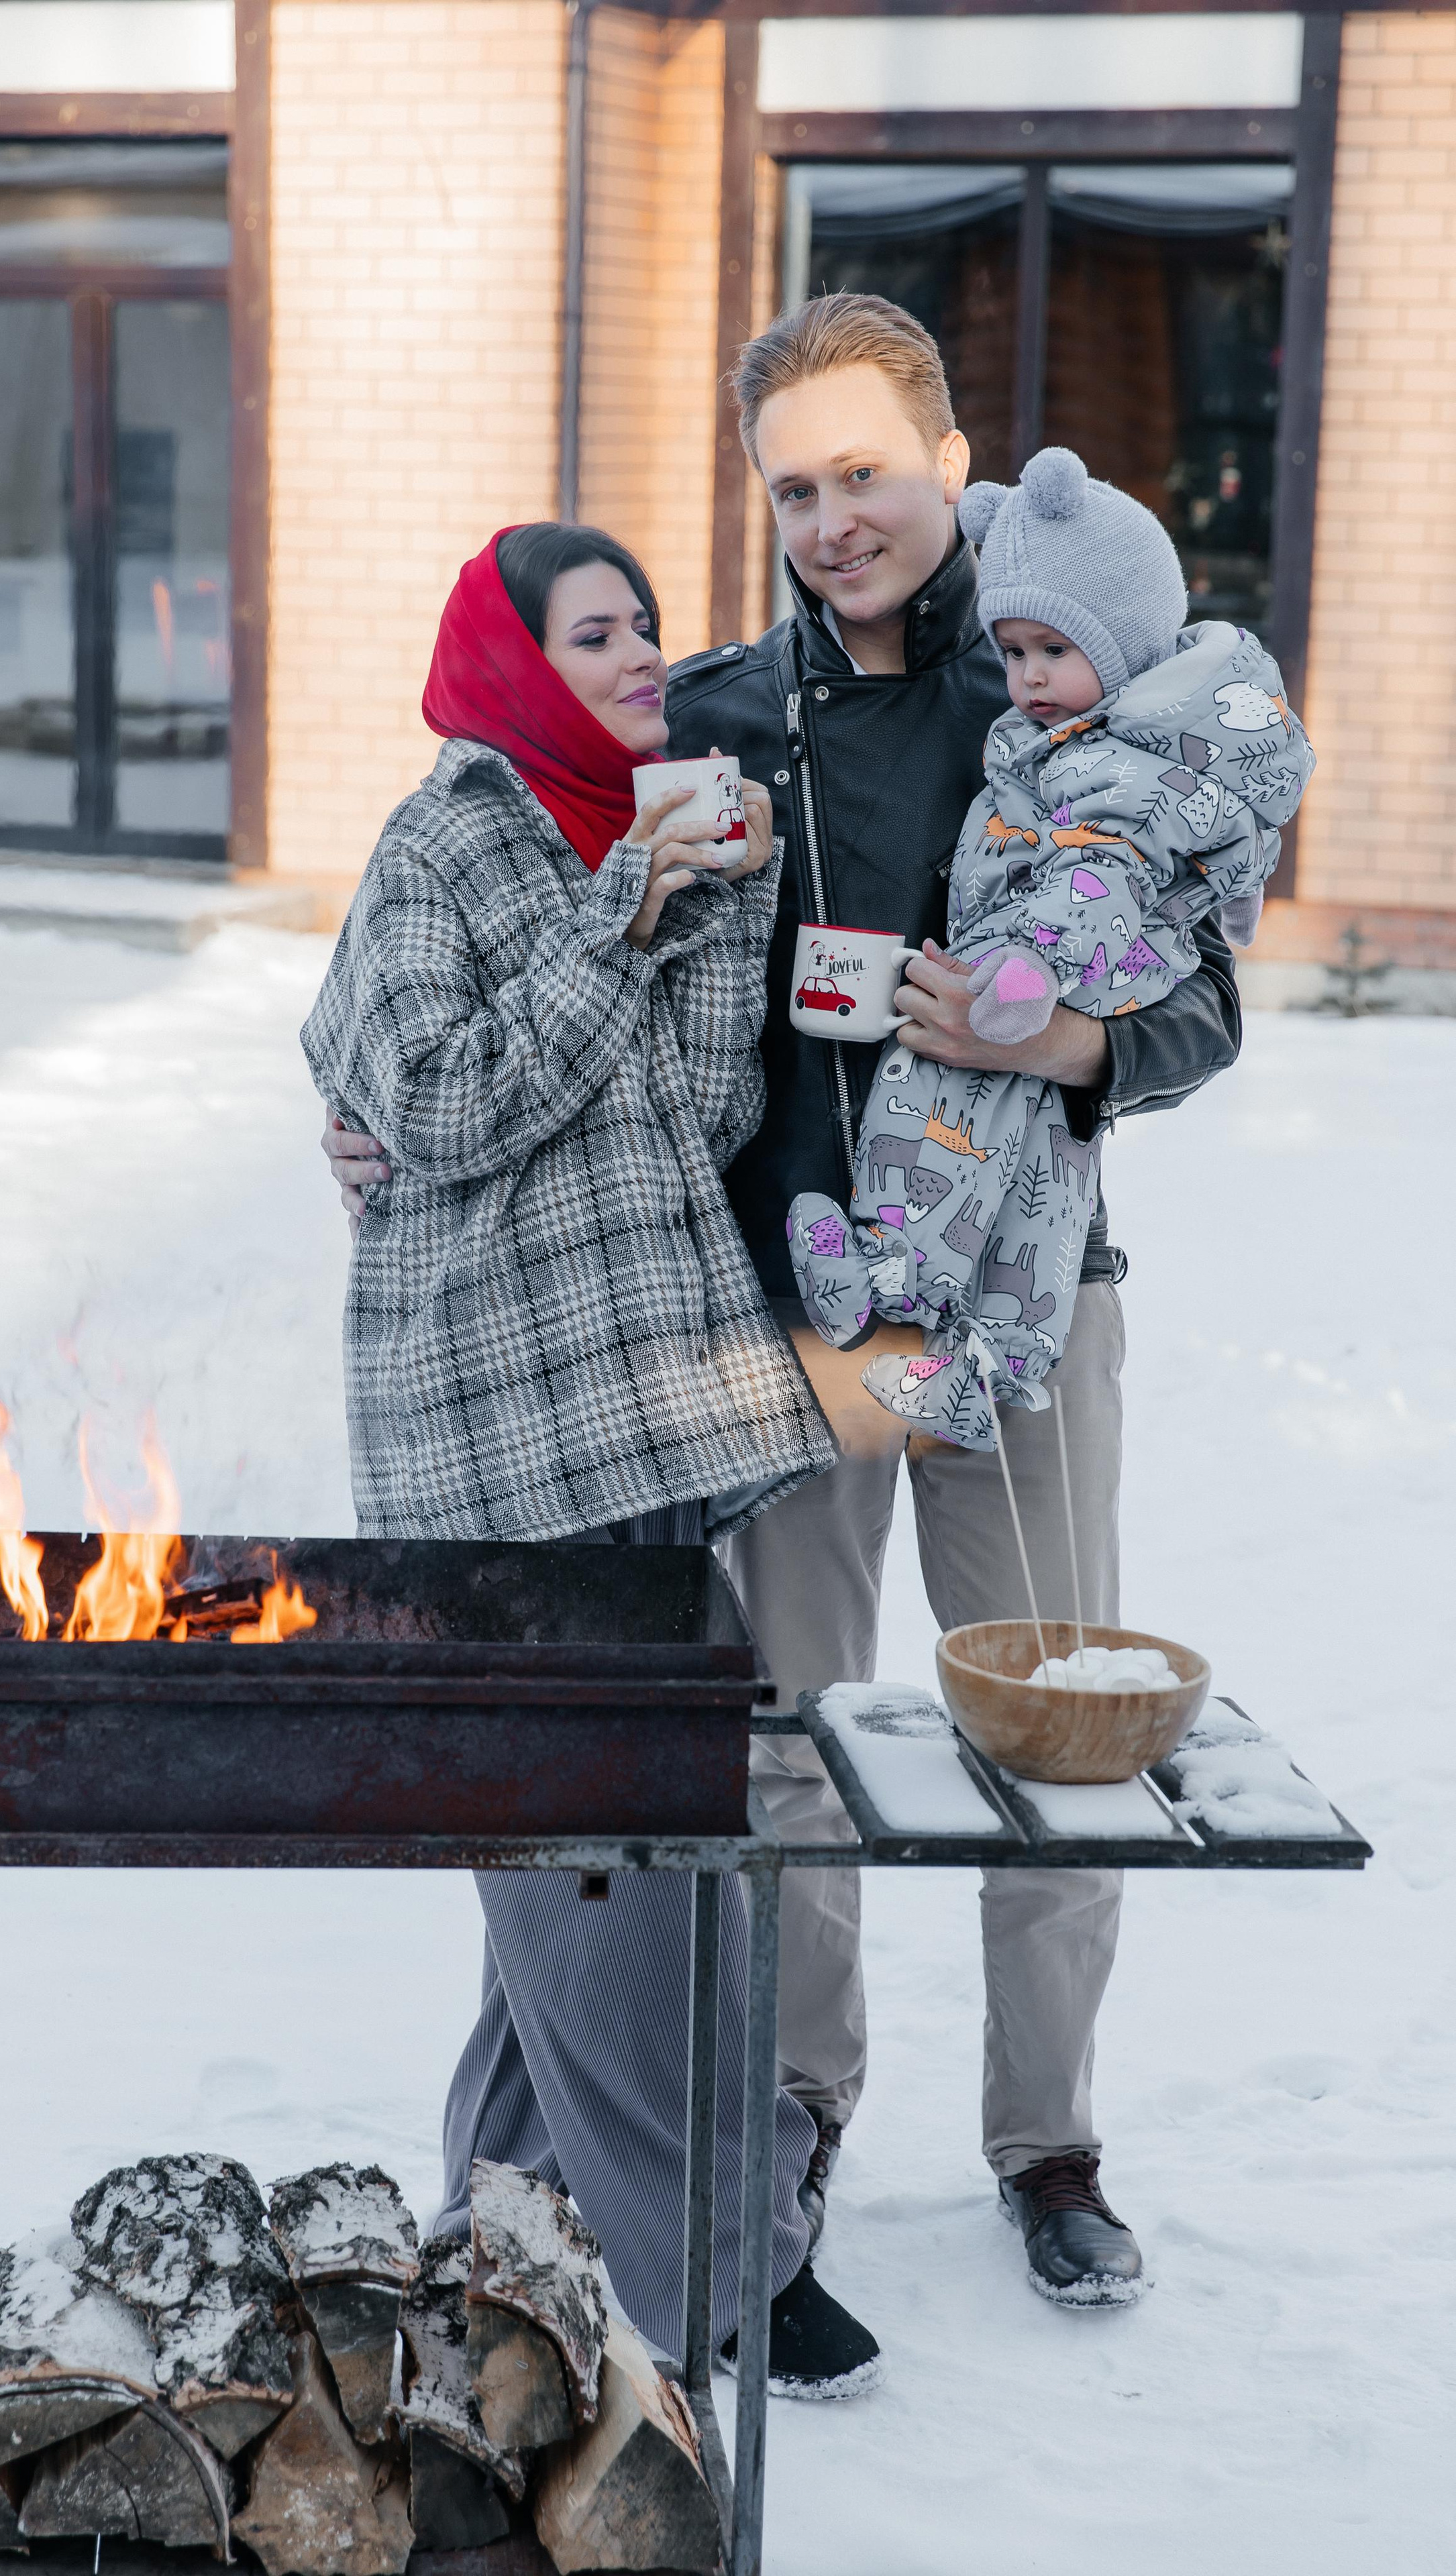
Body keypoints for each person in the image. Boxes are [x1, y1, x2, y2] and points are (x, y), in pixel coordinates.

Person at [322, 300, 1245, 2309]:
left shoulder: (1065, 689)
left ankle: (1049, 2138)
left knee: (1057, 1726)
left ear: (948, 461)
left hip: (1026, 1301)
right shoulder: (715, 718)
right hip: (782, 1332)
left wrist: (1064, 1040)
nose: (835, 521)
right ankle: (802, 2101)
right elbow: (512, 923)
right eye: (794, 488)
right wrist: (361, 1110)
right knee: (794, 1742)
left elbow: (1202, 1001)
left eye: (867, 475)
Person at [301, 521, 880, 2394]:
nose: (642, 658)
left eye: (644, 627)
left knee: (571, 1860)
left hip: (637, 1420)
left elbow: (692, 1116)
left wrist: (708, 917)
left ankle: (500, 2224)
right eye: (595, 634)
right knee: (606, 1884)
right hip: (495, 1449)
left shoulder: (635, 828)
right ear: (510, 663)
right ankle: (724, 2267)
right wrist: (619, 906)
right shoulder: (442, 848)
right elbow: (441, 1104)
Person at [789, 445, 1314, 1448]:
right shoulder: (733, 707)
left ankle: (933, 1310)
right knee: (1039, 1176)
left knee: (942, 1104)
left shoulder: (1108, 749)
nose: (1029, 678)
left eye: (863, 477)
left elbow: (1160, 951)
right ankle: (930, 1317)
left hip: (1039, 1054)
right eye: (796, 489)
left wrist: (1046, 1012)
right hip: (818, 1259)